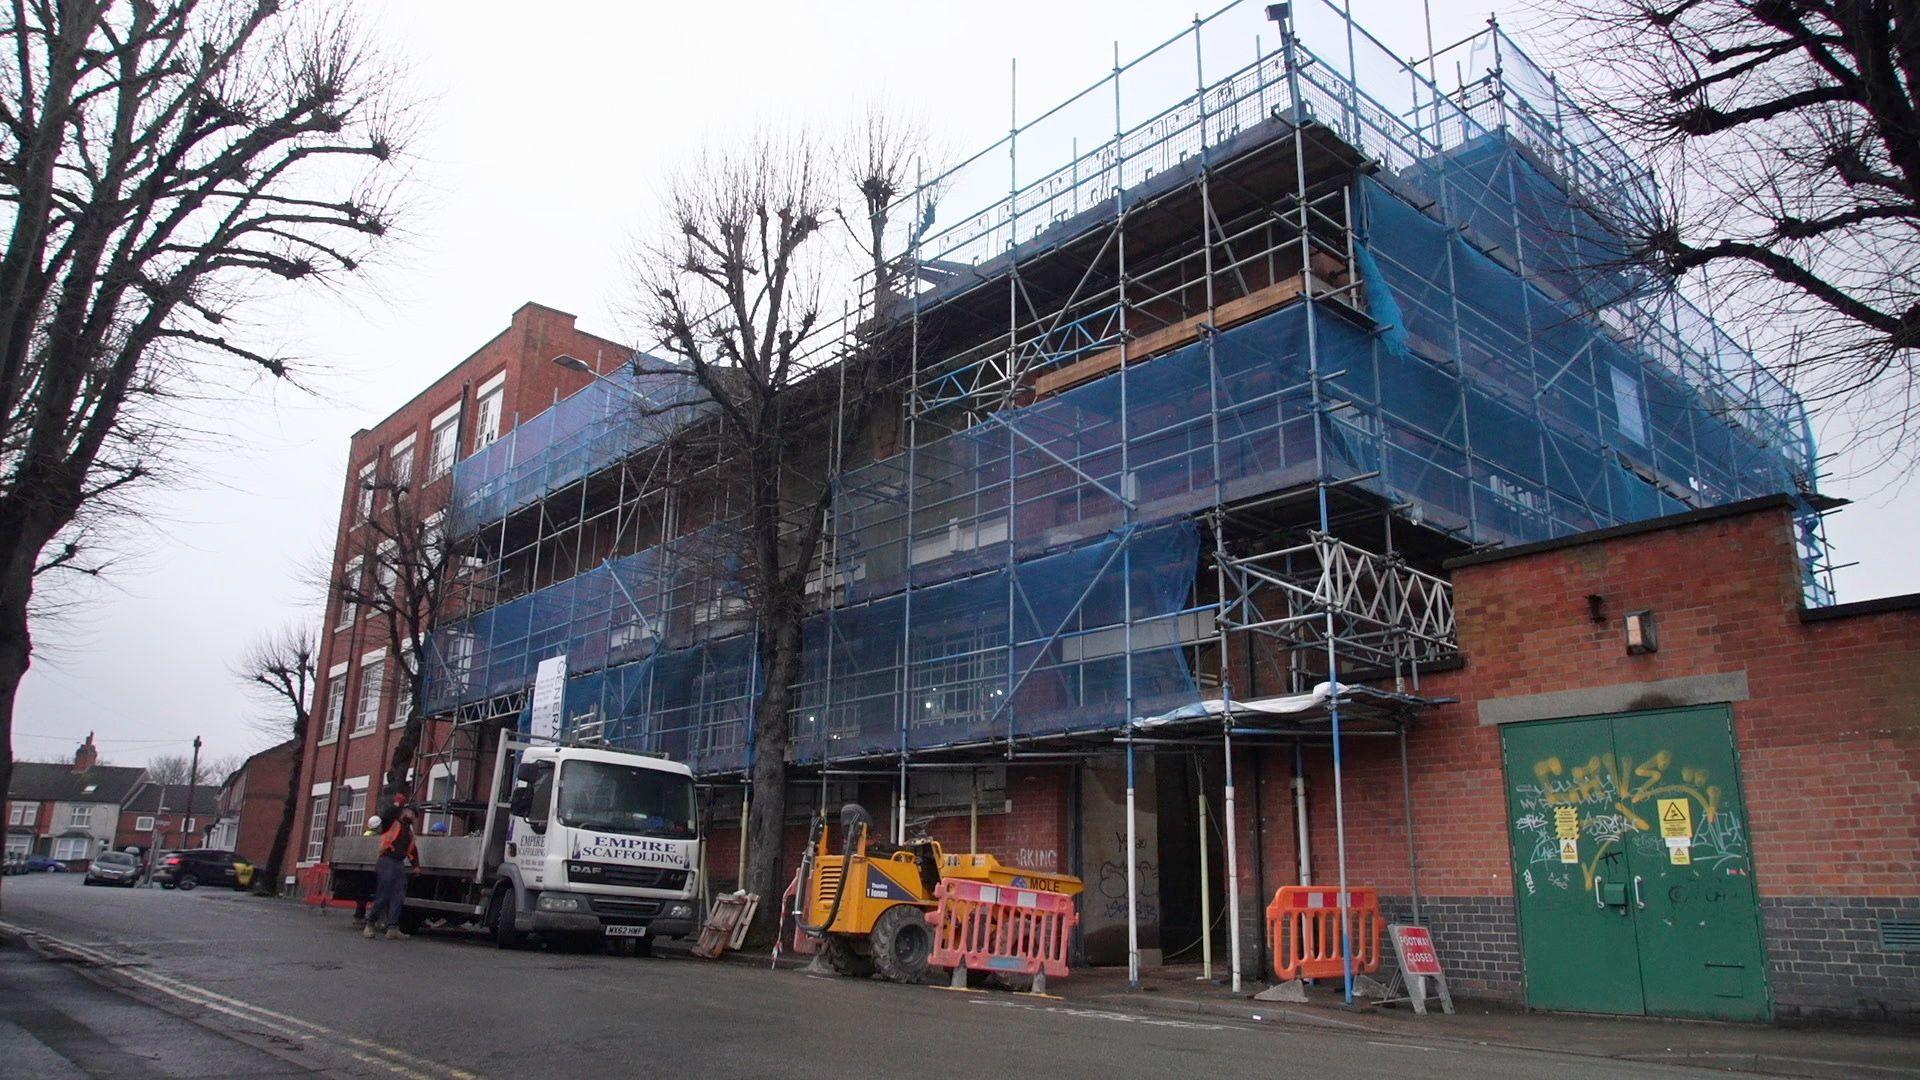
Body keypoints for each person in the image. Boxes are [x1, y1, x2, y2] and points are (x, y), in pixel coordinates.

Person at [365, 806, 420, 941]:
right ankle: (370, 924)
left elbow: (412, 850)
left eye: (414, 814)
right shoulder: (392, 823)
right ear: (402, 812)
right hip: (387, 860)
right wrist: (396, 804)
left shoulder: (409, 833)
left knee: (399, 896)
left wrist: (416, 865)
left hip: (398, 863)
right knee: (383, 894)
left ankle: (393, 928)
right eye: (410, 812)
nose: (412, 815)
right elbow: (386, 814)